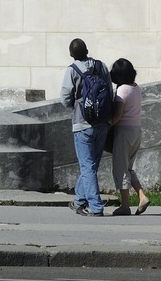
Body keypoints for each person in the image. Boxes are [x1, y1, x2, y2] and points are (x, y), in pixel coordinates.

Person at [59, 37, 110, 215]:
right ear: (87, 51)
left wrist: (76, 103)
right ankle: (79, 200)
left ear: (71, 55)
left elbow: (65, 98)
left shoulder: (71, 71)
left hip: (82, 123)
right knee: (91, 165)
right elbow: (109, 91)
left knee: (87, 167)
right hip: (102, 122)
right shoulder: (101, 66)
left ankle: (96, 207)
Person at [108, 57, 149, 216]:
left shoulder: (122, 90)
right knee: (129, 168)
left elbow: (118, 115)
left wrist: (108, 124)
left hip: (123, 132)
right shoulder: (136, 88)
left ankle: (125, 205)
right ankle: (142, 196)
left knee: (120, 168)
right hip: (136, 131)